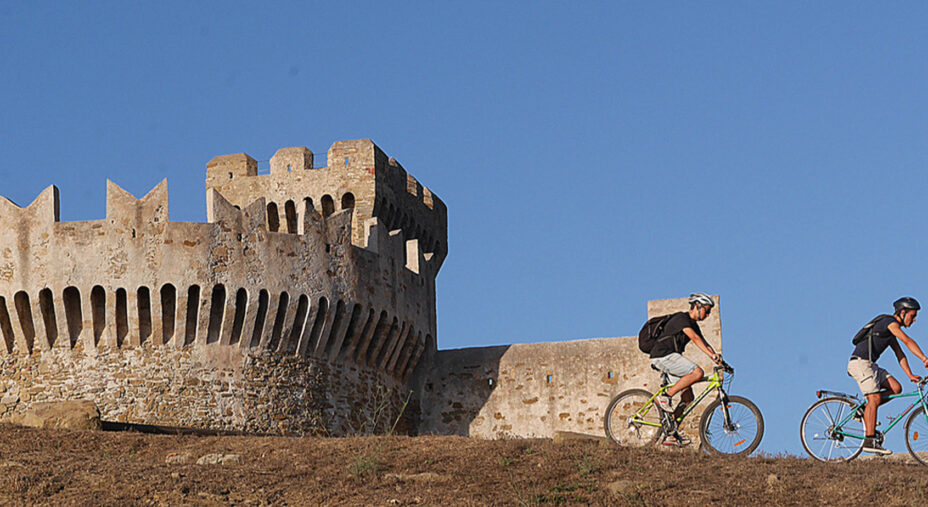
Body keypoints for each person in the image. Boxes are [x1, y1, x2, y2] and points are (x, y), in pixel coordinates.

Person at [848, 297, 928, 455]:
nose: (915, 320)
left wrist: (910, 374)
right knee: (875, 398)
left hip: (870, 364)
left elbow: (900, 354)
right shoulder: (889, 322)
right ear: (903, 312)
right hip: (860, 363)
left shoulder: (891, 331)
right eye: (913, 316)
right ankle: (869, 440)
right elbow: (906, 341)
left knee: (896, 388)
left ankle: (865, 409)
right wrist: (925, 359)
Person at [651, 293, 722, 419]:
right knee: (697, 372)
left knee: (688, 398)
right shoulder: (681, 318)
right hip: (663, 355)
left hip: (670, 358)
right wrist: (711, 356)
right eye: (707, 311)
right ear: (697, 306)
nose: (708, 315)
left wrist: (718, 358)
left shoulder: (693, 324)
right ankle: (665, 397)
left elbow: (704, 342)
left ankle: (671, 433)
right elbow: (694, 338)